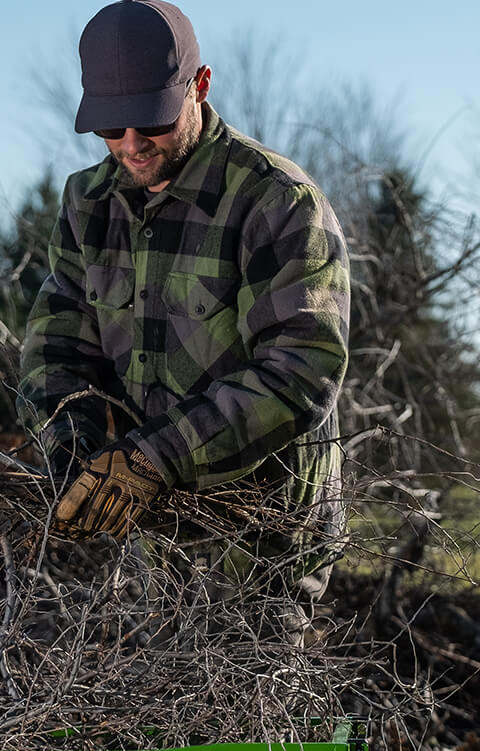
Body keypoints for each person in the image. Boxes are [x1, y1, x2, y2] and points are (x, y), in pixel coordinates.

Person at [19, 0, 350, 629]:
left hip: (264, 542)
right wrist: (72, 454)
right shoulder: (88, 204)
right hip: (154, 541)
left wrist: (155, 457)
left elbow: (300, 372)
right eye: (112, 129)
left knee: (253, 725)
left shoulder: (276, 202)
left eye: (152, 122)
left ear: (200, 85)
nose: (132, 146)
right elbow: (58, 347)